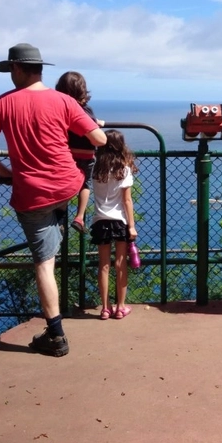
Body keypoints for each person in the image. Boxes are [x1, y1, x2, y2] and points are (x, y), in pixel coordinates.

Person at [0, 43, 107, 357]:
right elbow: (99, 139)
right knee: (55, 219)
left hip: (32, 193)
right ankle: (57, 227)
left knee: (44, 265)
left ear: (18, 69)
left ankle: (56, 336)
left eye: (11, 71)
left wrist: (6, 172)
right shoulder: (63, 101)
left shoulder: (1, 104)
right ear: (40, 69)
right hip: (68, 185)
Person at [89, 129, 138, 320]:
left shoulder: (95, 169)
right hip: (119, 220)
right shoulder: (123, 170)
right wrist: (131, 226)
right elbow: (127, 201)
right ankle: (120, 307)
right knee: (120, 264)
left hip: (100, 219)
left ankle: (105, 308)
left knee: (103, 265)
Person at [55, 71, 104, 234]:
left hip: (68, 154)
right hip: (87, 154)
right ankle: (79, 217)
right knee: (85, 184)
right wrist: (97, 123)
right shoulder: (85, 109)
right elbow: (90, 125)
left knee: (66, 183)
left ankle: (60, 216)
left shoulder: (60, 110)